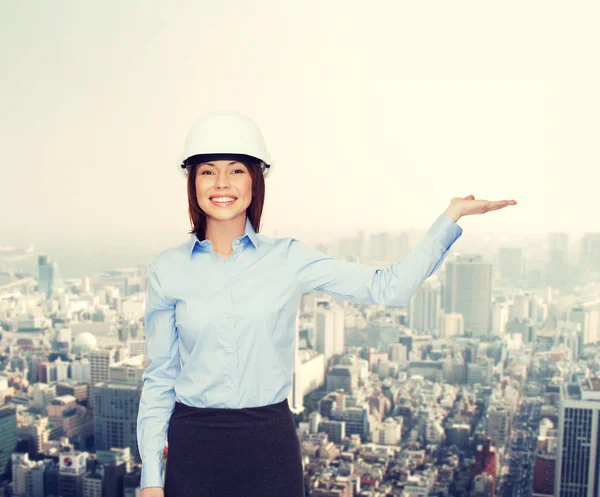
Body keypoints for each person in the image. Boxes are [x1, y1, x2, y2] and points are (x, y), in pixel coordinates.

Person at [137, 110, 518, 497]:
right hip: (193, 446)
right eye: (207, 171)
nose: (222, 183)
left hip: (269, 444)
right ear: (192, 181)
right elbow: (160, 377)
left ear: (255, 179)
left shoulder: (288, 258)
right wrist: (151, 478)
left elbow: (389, 288)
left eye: (236, 170)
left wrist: (450, 216)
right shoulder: (168, 270)